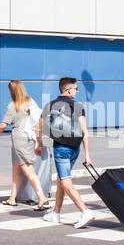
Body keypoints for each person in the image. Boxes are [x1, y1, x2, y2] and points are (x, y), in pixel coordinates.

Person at [39, 76, 95, 228]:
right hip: (75, 149)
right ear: (68, 90)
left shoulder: (50, 105)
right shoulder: (77, 106)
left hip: (61, 148)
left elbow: (40, 126)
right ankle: (56, 213)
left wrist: (39, 143)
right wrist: (87, 154)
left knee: (65, 181)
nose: (77, 91)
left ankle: (85, 211)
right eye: (76, 88)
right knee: (61, 180)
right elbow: (85, 132)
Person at [0, 79, 50, 210]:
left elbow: (2, 125)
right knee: (17, 169)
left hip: (19, 139)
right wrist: (39, 143)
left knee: (28, 169)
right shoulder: (30, 102)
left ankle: (42, 197)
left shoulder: (13, 106)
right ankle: (12, 198)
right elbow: (38, 122)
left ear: (11, 91)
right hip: (29, 137)